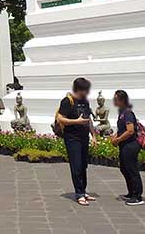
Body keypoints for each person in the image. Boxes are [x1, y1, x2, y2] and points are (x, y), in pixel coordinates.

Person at [56, 77, 97, 206]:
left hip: (84, 136)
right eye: (85, 90)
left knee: (84, 164)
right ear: (78, 90)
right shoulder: (68, 101)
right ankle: (79, 193)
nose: (86, 93)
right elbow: (60, 118)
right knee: (76, 164)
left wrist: (93, 136)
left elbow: (88, 119)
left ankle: (83, 190)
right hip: (72, 137)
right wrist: (76, 122)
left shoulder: (85, 102)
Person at [111, 90, 144, 206]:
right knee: (124, 168)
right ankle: (131, 192)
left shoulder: (128, 113)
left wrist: (118, 139)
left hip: (130, 145)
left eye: (116, 99)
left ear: (122, 100)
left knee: (132, 169)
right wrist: (115, 136)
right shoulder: (122, 113)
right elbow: (122, 129)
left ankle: (137, 195)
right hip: (124, 145)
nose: (114, 101)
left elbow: (130, 131)